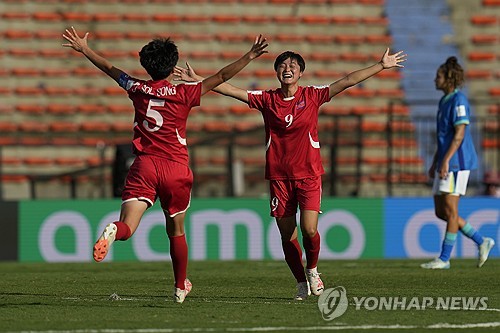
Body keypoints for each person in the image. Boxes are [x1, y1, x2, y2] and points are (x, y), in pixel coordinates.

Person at [175, 48, 406, 300]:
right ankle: (300, 282)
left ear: (301, 72)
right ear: (276, 72)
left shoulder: (313, 95)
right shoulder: (267, 99)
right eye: (283, 65)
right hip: (279, 178)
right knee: (287, 235)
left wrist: (380, 66)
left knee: (308, 229)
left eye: (294, 65)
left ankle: (313, 270)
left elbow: (348, 80)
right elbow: (233, 91)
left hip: (309, 175)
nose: (288, 68)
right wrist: (198, 80)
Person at [62, 26, 269, 303]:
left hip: (144, 166)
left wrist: (85, 49)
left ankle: (114, 230)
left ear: (146, 65)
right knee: (176, 231)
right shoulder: (184, 93)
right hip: (175, 169)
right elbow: (220, 77)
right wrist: (250, 56)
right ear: (173, 66)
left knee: (128, 226)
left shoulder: (136, 87)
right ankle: (180, 285)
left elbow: (111, 69)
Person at [420, 56, 495, 270]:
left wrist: (445, 160)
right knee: (441, 212)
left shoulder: (459, 101)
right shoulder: (444, 101)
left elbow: (459, 134)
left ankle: (444, 258)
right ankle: (482, 240)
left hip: (457, 163)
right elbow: (443, 137)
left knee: (451, 211)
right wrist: (436, 161)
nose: (435, 79)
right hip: (445, 161)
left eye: (439, 76)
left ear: (449, 79)